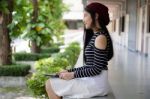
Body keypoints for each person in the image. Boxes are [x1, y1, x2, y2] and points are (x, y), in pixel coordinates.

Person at [45, 2, 114, 99]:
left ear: (96, 16)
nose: (83, 20)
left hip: (96, 83)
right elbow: (90, 65)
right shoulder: (96, 36)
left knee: (50, 84)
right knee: (51, 83)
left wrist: (72, 75)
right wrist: (68, 71)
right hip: (93, 80)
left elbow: (97, 69)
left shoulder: (100, 37)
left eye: (85, 15)